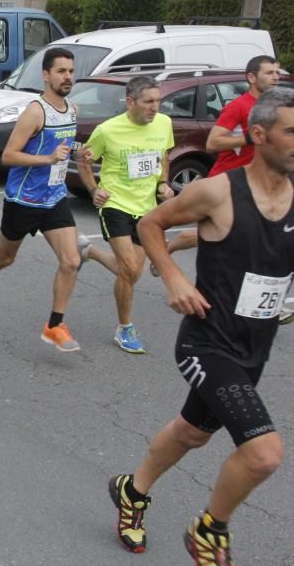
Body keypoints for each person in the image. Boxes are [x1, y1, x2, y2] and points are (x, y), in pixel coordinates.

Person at [109, 87, 294, 565]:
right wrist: (173, 279)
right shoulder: (218, 189)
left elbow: (254, 245)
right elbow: (150, 224)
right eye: (291, 131)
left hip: (256, 344)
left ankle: (133, 490)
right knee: (263, 453)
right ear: (258, 134)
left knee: (193, 431)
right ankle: (210, 529)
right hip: (207, 343)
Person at [0, 47, 92, 353]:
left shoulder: (72, 110)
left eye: (71, 71)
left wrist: (77, 152)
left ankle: (55, 325)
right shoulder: (35, 111)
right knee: (4, 258)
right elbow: (8, 155)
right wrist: (47, 158)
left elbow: (62, 143)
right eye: (61, 71)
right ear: (46, 76)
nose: (68, 77)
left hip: (54, 198)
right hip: (23, 199)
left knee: (71, 260)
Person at [151, 55, 282, 272]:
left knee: (245, 232)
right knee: (226, 230)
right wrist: (249, 138)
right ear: (251, 77)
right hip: (228, 180)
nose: (276, 77)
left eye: (277, 72)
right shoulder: (239, 107)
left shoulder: (276, 108)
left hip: (258, 182)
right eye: (269, 73)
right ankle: (169, 247)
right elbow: (213, 142)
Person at [74, 75, 176, 353]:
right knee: (130, 269)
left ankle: (90, 252)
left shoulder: (164, 124)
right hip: (116, 204)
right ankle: (124, 328)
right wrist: (94, 189)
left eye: (158, 101)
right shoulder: (108, 130)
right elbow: (83, 158)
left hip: (147, 208)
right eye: (148, 102)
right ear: (130, 102)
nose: (155, 108)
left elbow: (164, 155)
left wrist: (163, 183)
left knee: (129, 272)